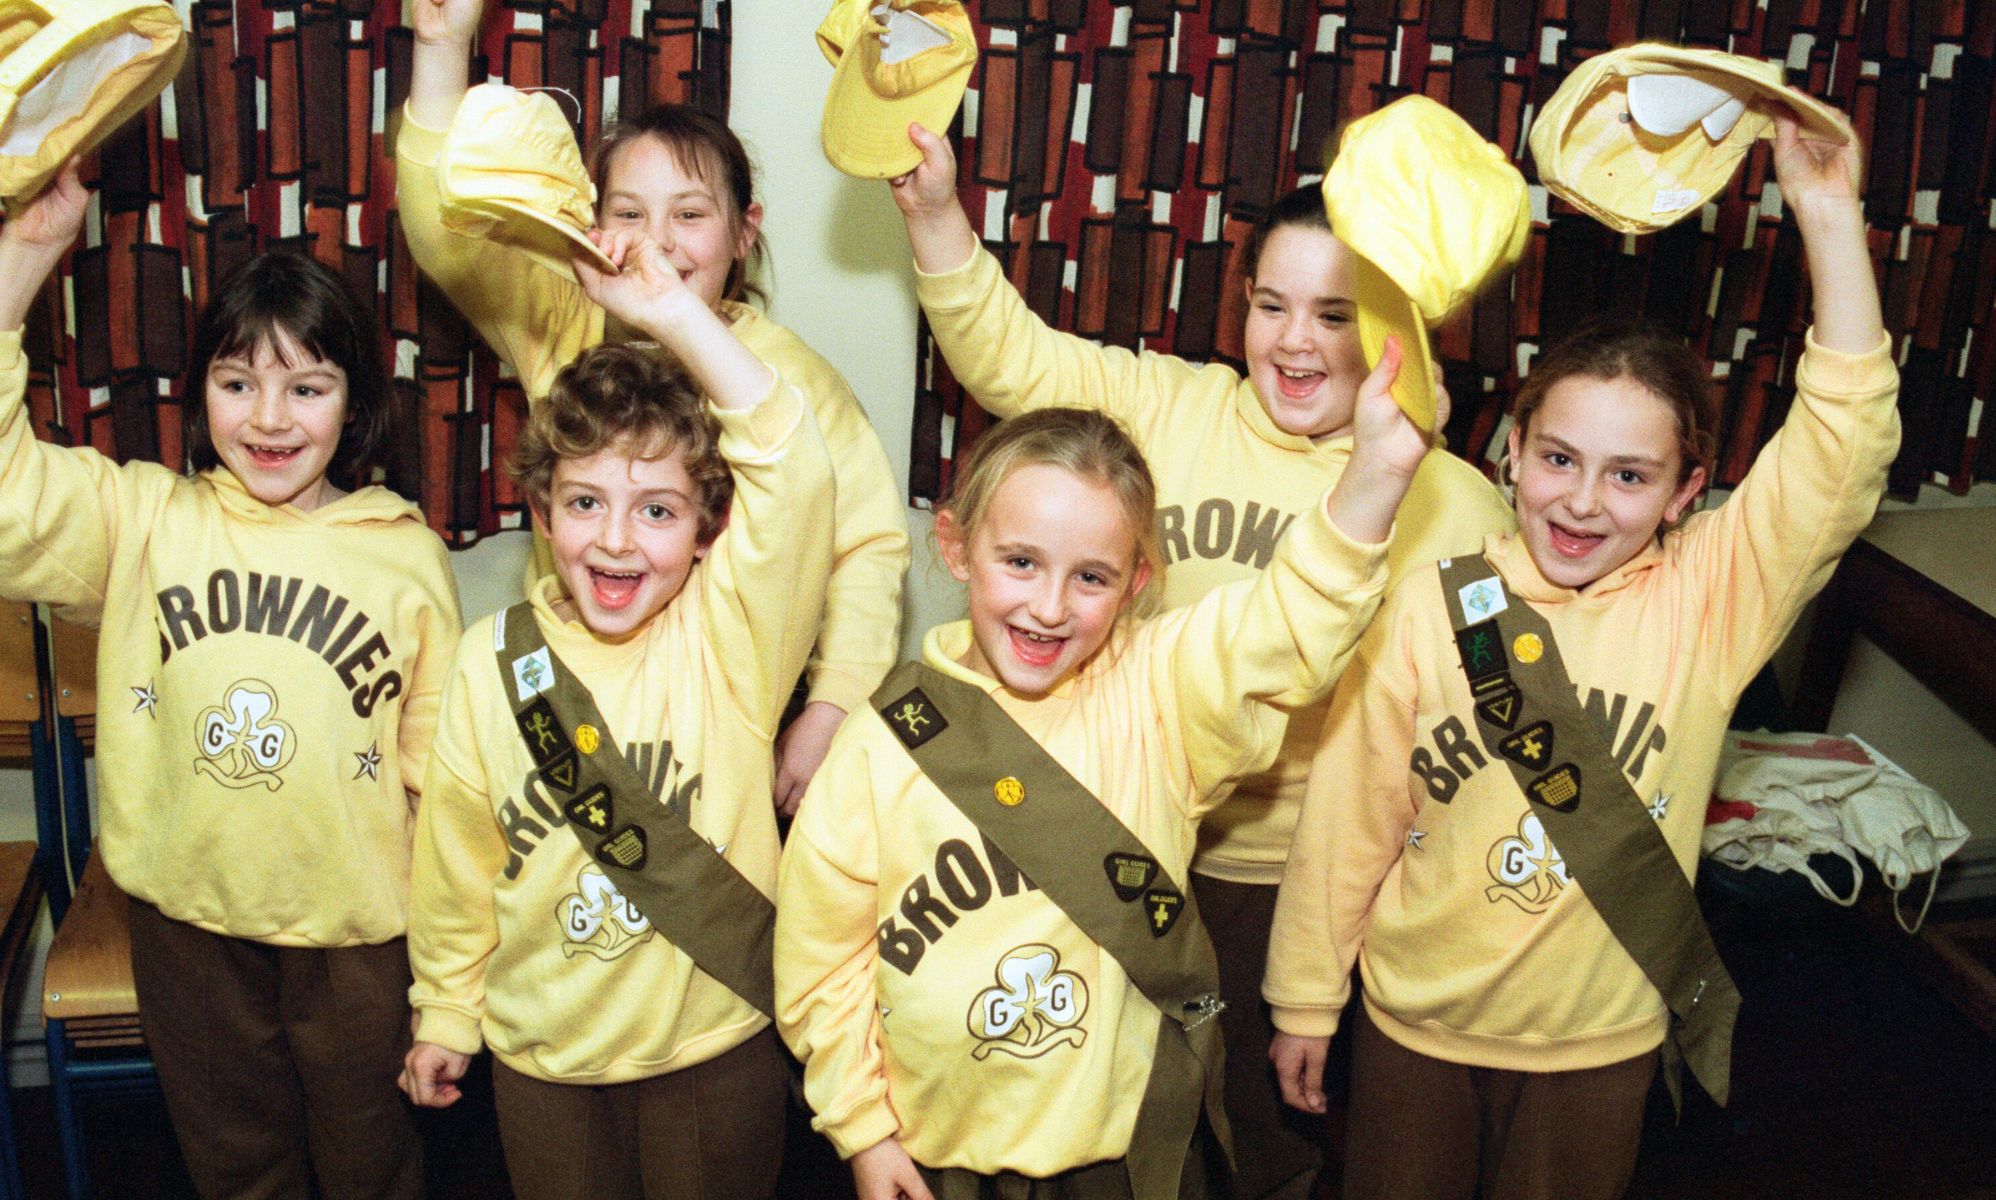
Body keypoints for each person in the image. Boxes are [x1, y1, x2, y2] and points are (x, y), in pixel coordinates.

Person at [1264, 115, 1899, 1200]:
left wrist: (1828, 217)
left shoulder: (1710, 601)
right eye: (1557, 457)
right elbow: (1350, 815)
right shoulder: (1432, 606)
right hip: (1414, 1023)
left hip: (1597, 1045)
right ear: (1510, 449)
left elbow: (1843, 447)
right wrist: (1304, 1000)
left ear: (1685, 493)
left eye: (1628, 476)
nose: (1581, 500)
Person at [888, 122, 1515, 1196]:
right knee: (1127, 1125)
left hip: (1312, 889)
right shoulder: (1168, 406)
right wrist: (932, 210)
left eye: (1334, 313)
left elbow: (1487, 712)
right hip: (1133, 840)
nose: (1295, 342)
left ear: (1396, 327)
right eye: (1271, 304)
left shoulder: (1454, 502)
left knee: (1279, 1139)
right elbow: (1009, 355)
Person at [777, 330, 1430, 1200]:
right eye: (1019, 562)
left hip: (1124, 1155)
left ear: (1136, 584)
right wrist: (863, 1133)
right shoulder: (879, 742)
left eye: (1091, 576)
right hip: (934, 1154)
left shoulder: (1161, 692)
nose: (1048, 607)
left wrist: (1378, 473)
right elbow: (823, 961)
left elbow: (1283, 627)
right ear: (956, 545)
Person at [0, 164, 461, 1198]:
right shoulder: (145, 520)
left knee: (370, 1164)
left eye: (307, 386)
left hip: (359, 934)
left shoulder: (405, 556)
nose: (270, 418)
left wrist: (449, 980)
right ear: (197, 387)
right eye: (237, 381)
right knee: (236, 1167)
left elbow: (440, 780)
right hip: (187, 919)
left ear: (354, 400)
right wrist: (24, 261)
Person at [398, 224, 834, 1200]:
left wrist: (671, 311)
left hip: (713, 1045)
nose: (617, 541)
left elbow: (792, 462)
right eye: (586, 502)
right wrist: (442, 1013)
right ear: (541, 512)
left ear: (706, 527)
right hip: (542, 1058)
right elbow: (455, 863)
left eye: (657, 509)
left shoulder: (732, 640)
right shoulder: (488, 663)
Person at [400, 0, 908, 811]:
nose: (660, 241)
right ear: (593, 226)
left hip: (724, 713)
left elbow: (868, 551)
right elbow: (445, 232)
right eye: (629, 213)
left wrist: (829, 707)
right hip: (571, 697)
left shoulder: (788, 383)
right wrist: (441, 44)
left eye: (691, 216)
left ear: (746, 233)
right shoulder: (562, 325)